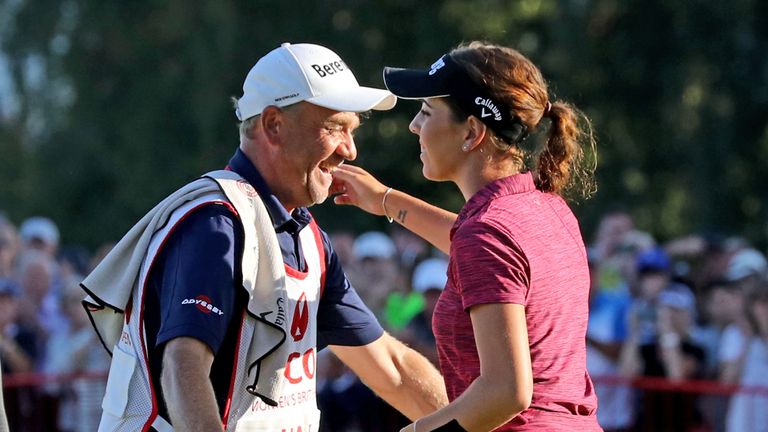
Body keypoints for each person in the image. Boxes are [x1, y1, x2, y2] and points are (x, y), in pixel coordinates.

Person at [80, 42, 447, 432]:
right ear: (273, 125)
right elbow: (182, 368)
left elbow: (391, 368)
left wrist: (474, 423)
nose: (350, 150)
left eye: (351, 130)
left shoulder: (305, 235)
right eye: (335, 127)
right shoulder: (215, 224)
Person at [332, 41, 600, 431]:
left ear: (472, 131)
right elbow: (474, 246)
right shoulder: (545, 207)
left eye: (426, 112)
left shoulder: (487, 232)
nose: (413, 126)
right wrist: (385, 200)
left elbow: (506, 393)